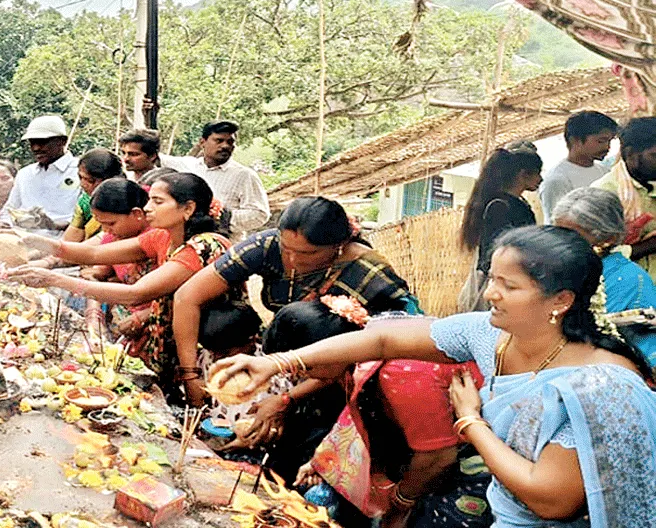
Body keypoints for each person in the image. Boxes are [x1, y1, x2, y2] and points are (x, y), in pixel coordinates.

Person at [211, 225, 656, 528]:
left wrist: (471, 422)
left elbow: (552, 499)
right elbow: (383, 340)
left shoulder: (601, 384)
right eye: (492, 278)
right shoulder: (491, 335)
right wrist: (279, 363)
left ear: (560, 300)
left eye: (509, 286)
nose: (490, 293)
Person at [9, 173, 246, 396]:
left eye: (157, 201)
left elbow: (136, 294)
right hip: (181, 347)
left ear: (188, 208)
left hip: (214, 347)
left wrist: (54, 279)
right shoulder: (162, 237)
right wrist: (32, 240)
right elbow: (94, 255)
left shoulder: (204, 247)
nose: (147, 207)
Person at [173, 196, 419, 408]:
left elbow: (372, 350)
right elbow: (187, 297)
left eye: (307, 253)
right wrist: (190, 375)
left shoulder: (370, 276)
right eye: (286, 248)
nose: (292, 259)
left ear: (339, 246)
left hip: (338, 375)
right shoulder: (266, 246)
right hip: (283, 365)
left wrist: (285, 401)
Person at [289, 310, 491, 528]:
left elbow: (438, 458)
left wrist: (400, 503)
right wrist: (326, 460)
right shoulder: (370, 337)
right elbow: (358, 416)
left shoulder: (401, 373)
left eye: (305, 368)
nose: (303, 377)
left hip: (481, 457)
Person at [551, 187, 656, 364]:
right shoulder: (561, 268)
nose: (560, 244)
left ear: (609, 239)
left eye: (572, 236)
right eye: (557, 234)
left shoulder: (628, 280)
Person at [459, 146, 543, 311]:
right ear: (522, 174)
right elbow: (494, 249)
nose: (541, 179)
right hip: (499, 281)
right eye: (537, 173)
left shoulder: (515, 203)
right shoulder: (500, 206)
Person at [175, 121, 269, 241]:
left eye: (230, 142)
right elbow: (154, 157)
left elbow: (260, 214)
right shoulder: (188, 166)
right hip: (186, 243)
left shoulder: (244, 175)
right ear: (202, 142)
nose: (225, 146)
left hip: (224, 248)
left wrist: (222, 217)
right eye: (219, 141)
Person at [593, 116, 656, 280]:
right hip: (632, 291)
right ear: (630, 154)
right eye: (654, 156)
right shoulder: (604, 193)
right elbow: (598, 255)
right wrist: (648, 245)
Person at [0, 116, 80, 231]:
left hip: (64, 242)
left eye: (42, 142)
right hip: (22, 240)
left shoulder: (80, 172)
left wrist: (52, 225)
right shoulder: (25, 174)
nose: (36, 148)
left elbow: (88, 219)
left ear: (62, 141)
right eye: (32, 142)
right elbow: (8, 211)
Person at [539, 112, 617, 220]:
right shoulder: (557, 180)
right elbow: (559, 225)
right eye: (601, 141)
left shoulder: (605, 172)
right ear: (574, 140)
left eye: (609, 141)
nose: (607, 147)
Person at [65, 148, 124, 243]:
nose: (83, 184)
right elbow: (71, 238)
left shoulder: (125, 202)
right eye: (80, 177)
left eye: (90, 180)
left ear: (109, 179)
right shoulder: (85, 201)